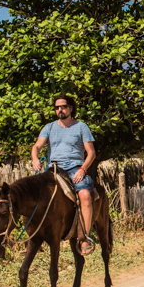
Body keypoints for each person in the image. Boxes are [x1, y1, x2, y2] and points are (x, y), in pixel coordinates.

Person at [31, 95, 96, 256]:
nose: (59, 110)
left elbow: (91, 153)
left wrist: (82, 169)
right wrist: (34, 159)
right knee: (31, 195)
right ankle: (32, 239)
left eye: (63, 107)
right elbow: (37, 146)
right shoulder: (49, 127)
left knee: (85, 194)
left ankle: (85, 238)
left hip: (74, 168)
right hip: (53, 168)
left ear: (71, 108)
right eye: (57, 107)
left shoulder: (81, 127)